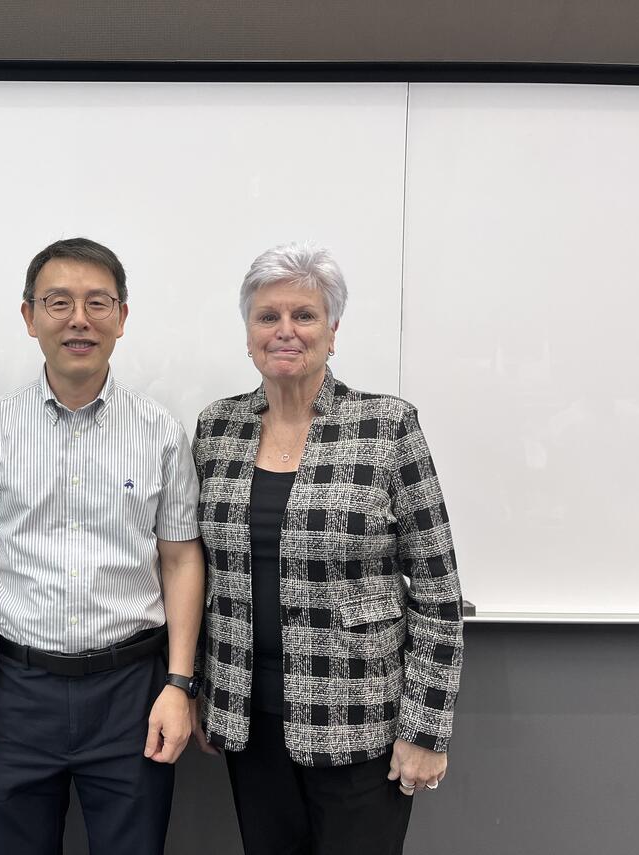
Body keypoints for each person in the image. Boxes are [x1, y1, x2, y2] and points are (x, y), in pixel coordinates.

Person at [191, 243, 463, 855]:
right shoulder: (217, 429)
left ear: (332, 330)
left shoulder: (386, 426)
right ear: (248, 332)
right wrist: (206, 690)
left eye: (304, 315)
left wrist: (427, 728)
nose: (284, 331)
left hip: (360, 722)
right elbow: (203, 574)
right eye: (267, 317)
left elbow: (439, 593)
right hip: (249, 720)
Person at [0, 238, 204, 855]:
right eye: (59, 302)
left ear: (122, 316)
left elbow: (180, 557)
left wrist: (180, 683)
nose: (79, 319)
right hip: (13, 694)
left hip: (133, 695)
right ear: (29, 317)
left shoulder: (160, 432)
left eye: (97, 303)